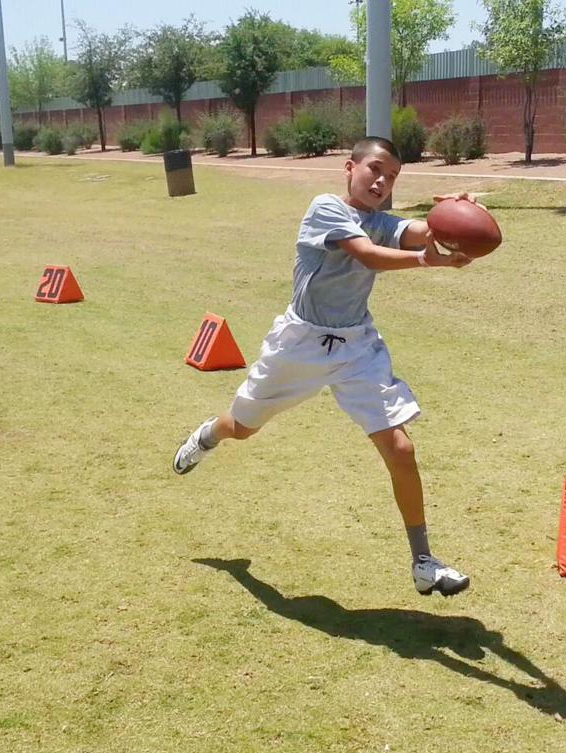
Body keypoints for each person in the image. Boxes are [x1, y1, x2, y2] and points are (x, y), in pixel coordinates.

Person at [173, 136, 475, 598]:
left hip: (356, 346)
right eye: (375, 168)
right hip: (300, 344)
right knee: (242, 427)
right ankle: (207, 435)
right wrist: (426, 259)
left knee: (401, 449)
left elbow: (418, 232)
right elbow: (369, 254)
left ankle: (423, 562)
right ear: (349, 167)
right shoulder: (326, 208)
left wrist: (453, 218)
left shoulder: (380, 221)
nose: (382, 180)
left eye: (392, 176)